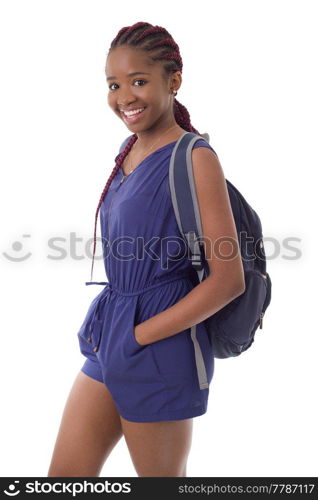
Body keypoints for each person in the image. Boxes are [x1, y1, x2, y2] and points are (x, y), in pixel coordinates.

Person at [47, 21, 245, 478]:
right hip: (109, 332)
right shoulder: (128, 150)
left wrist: (142, 335)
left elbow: (228, 279)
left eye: (139, 81)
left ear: (172, 81)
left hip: (158, 343)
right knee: (62, 480)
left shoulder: (194, 157)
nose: (124, 97)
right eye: (114, 84)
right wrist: (117, 333)